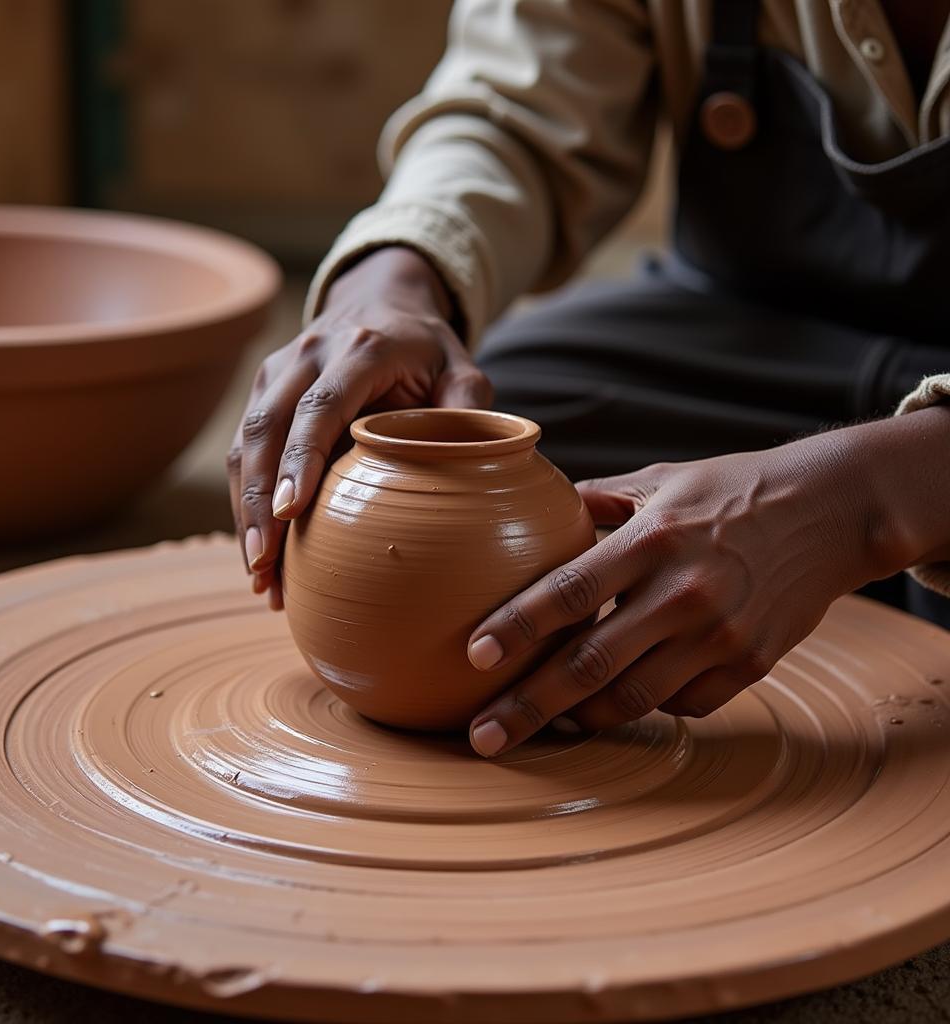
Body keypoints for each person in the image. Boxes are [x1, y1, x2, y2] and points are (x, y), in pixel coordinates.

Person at [228, 0, 950, 759]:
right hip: (748, 325)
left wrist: (869, 503)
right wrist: (391, 282)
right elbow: (516, 112)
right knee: (468, 446)